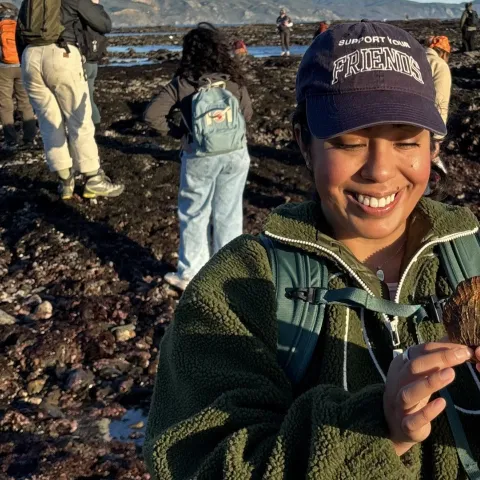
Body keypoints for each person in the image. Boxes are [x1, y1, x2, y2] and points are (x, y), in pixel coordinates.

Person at [144, 22, 480, 479]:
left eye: (405, 141)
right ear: (305, 144)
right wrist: (378, 428)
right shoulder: (238, 288)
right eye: (349, 141)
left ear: (432, 148)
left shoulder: (471, 254)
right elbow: (196, 458)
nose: (380, 171)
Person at [144, 23, 253, 291]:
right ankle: (229, 272)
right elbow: (247, 115)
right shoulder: (233, 80)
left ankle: (191, 273)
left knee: (194, 213)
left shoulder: (182, 84)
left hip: (199, 153)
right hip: (236, 153)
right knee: (229, 213)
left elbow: (151, 115)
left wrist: (181, 132)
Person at [16, 0, 123, 200]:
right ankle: (93, 178)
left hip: (30, 58)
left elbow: (19, 33)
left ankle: (65, 180)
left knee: (48, 121)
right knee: (79, 119)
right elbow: (104, 24)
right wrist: (95, 4)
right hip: (61, 53)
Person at [0, 2, 36, 151]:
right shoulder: (19, 25)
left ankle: (11, 141)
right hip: (21, 66)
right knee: (25, 103)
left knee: (5, 105)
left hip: (3, 69)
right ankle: (29, 139)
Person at [425, 36, 452, 181]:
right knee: (438, 176)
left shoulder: (412, 58)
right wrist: (437, 138)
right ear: (443, 53)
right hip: (427, 128)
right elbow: (440, 102)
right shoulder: (439, 65)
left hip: (404, 124)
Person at [80, 0, 109, 129]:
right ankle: (96, 124)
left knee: (85, 98)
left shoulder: (83, 19)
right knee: (89, 95)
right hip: (94, 61)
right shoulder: (99, 20)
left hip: (84, 61)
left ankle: (95, 126)